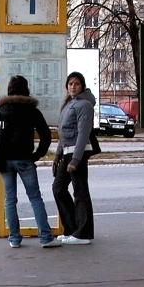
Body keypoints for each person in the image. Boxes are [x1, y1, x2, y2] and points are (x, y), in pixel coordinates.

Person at [0, 75, 61, 248]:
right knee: (35, 197)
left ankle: (14, 239)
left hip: (5, 161)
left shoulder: (1, 112)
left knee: (10, 200)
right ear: (26, 89)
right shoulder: (32, 111)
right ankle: (46, 237)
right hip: (25, 159)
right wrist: (38, 154)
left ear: (9, 90)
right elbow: (45, 135)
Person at [52, 71, 96, 245]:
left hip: (77, 153)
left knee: (80, 191)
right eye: (70, 83)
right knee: (59, 188)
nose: (73, 86)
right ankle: (72, 229)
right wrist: (57, 155)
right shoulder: (70, 103)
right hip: (66, 152)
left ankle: (83, 233)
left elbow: (83, 134)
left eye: (77, 84)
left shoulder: (84, 104)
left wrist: (75, 160)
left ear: (82, 86)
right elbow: (63, 134)